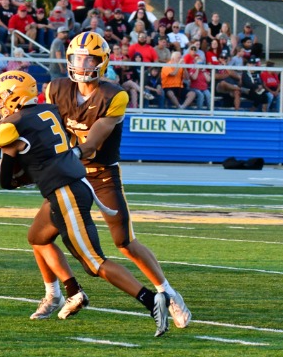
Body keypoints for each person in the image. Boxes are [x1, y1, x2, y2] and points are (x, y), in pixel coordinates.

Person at [0, 71, 170, 334]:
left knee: (94, 263)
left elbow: (5, 181)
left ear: (13, 96)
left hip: (66, 193)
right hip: (73, 183)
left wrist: (10, 154)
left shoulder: (11, 127)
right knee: (38, 238)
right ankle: (71, 292)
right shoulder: (48, 110)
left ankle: (152, 301)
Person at [42, 31, 191, 330]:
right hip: (69, 175)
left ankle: (168, 293)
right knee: (40, 236)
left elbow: (92, 143)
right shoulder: (55, 89)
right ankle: (56, 293)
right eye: (77, 58)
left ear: (102, 62)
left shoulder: (114, 95)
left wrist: (68, 154)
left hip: (101, 174)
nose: (82, 64)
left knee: (124, 242)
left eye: (89, 59)